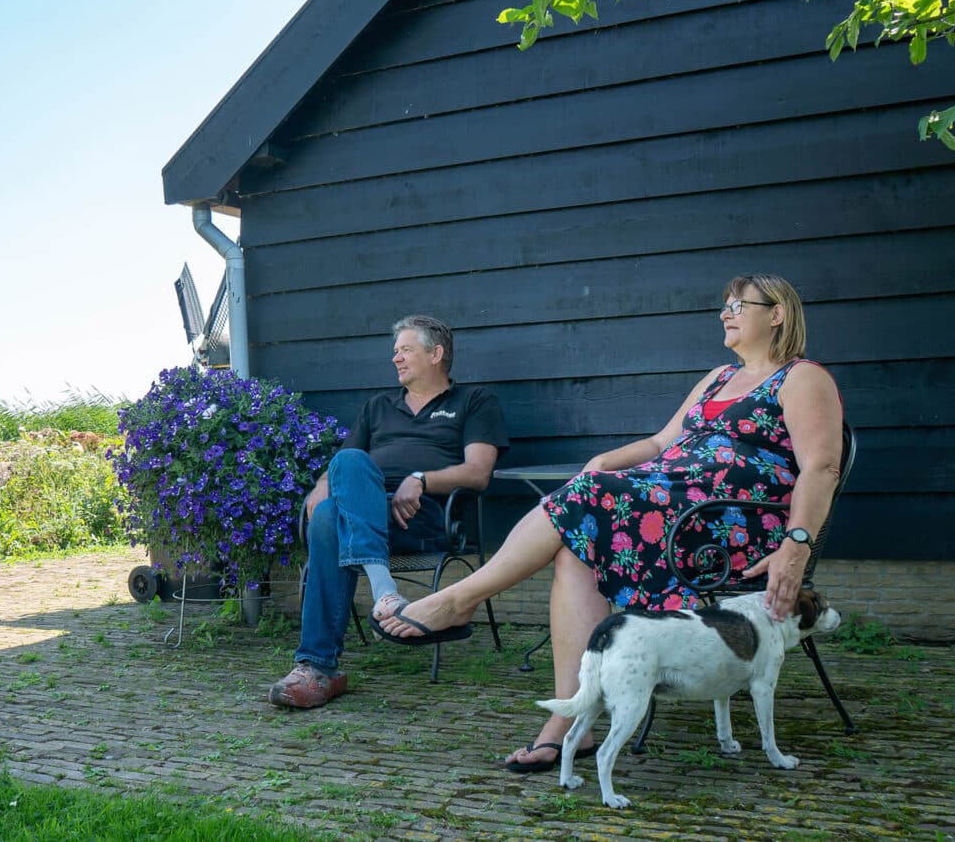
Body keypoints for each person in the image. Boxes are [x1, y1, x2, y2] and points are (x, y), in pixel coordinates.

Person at [373, 274, 844, 773]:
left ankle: (458, 600)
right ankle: (573, 725)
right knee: (574, 543)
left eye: (738, 305)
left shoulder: (802, 377)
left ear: (776, 314)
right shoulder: (717, 379)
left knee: (584, 505)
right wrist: (603, 460)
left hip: (726, 524)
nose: (725, 313)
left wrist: (797, 544)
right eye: (723, 305)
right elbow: (663, 444)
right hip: (666, 505)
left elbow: (821, 467)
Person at [268, 315, 510, 709]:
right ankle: (385, 594)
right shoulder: (378, 406)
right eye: (394, 351)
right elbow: (342, 465)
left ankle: (316, 668)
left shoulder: (474, 401)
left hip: (422, 518)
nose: (396, 358)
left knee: (332, 517)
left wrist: (421, 478)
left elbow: (479, 473)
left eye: (405, 350)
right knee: (336, 494)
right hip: (366, 511)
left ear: (436, 354)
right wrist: (322, 485)